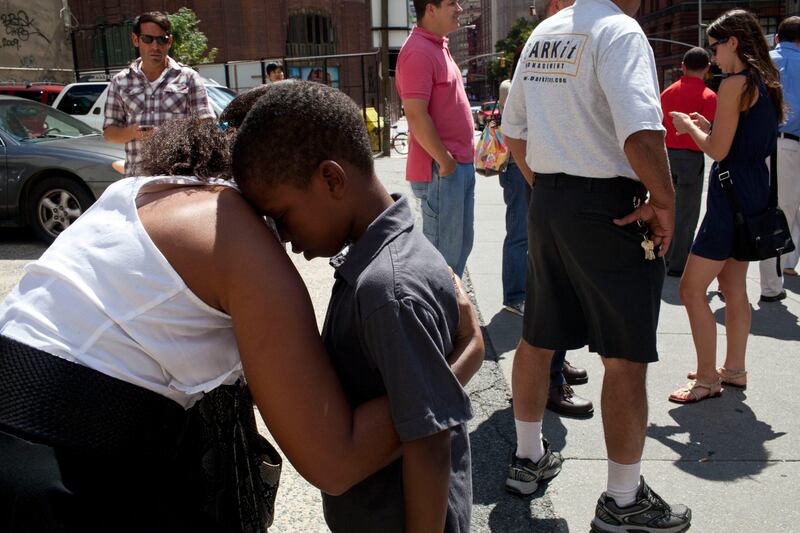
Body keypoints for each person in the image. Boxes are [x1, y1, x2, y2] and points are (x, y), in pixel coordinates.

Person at [0, 92, 484, 529]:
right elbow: (335, 462)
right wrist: (465, 353)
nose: (286, 239)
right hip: (56, 466)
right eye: (276, 218)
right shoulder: (241, 243)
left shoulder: (143, 191)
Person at [232, 79, 481, 533]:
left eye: (283, 216)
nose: (283, 238)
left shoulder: (387, 289)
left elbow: (429, 443)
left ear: (331, 179)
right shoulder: (385, 259)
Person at [502, 0, 692, 529]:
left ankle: (527, 456)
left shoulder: (545, 32)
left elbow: (513, 129)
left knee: (538, 336)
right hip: (612, 206)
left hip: (550, 200)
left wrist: (549, 188)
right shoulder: (619, 30)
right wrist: (667, 202)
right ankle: (624, 500)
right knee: (625, 357)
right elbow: (638, 132)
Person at [669, 10, 782, 401]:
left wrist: (689, 127)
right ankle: (733, 368)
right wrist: (707, 124)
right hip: (753, 190)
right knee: (733, 286)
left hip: (729, 191)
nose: (712, 55)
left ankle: (706, 379)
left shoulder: (735, 84)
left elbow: (718, 150)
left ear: (733, 41)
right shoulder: (764, 81)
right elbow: (741, 139)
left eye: (716, 46)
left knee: (690, 288)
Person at [498, 0, 593, 418]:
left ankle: (556, 365)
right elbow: (513, 127)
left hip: (553, 184)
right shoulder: (551, 39)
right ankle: (549, 380)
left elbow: (514, 127)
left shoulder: (549, 40)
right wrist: (538, 180)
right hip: (555, 184)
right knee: (553, 291)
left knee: (558, 290)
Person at [396, 0, 476, 277]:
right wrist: (445, 161)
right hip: (441, 171)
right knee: (443, 259)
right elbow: (416, 114)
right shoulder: (418, 51)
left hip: (452, 168)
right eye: (451, 2)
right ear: (430, 8)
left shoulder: (436, 46)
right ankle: (441, 319)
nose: (459, 9)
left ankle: (450, 316)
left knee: (458, 250)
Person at [103, 11, 214, 177]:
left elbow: (206, 126)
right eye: (148, 39)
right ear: (136, 40)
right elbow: (109, 134)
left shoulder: (188, 77)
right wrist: (132, 132)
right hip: (137, 180)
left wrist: (171, 135)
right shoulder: (120, 82)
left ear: (169, 41)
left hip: (179, 179)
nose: (155, 46)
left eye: (161, 39)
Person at [661, 47, 718, 277]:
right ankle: (678, 263)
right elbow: (709, 131)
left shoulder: (667, 92)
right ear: (706, 69)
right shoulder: (709, 96)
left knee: (666, 206)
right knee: (687, 212)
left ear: (683, 66)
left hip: (667, 156)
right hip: (692, 158)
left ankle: (663, 255)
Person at [759, 16, 800, 301]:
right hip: (788, 142)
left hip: (774, 144)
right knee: (789, 209)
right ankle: (786, 266)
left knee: (776, 210)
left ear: (777, 38)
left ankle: (773, 284)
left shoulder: (766, 62)